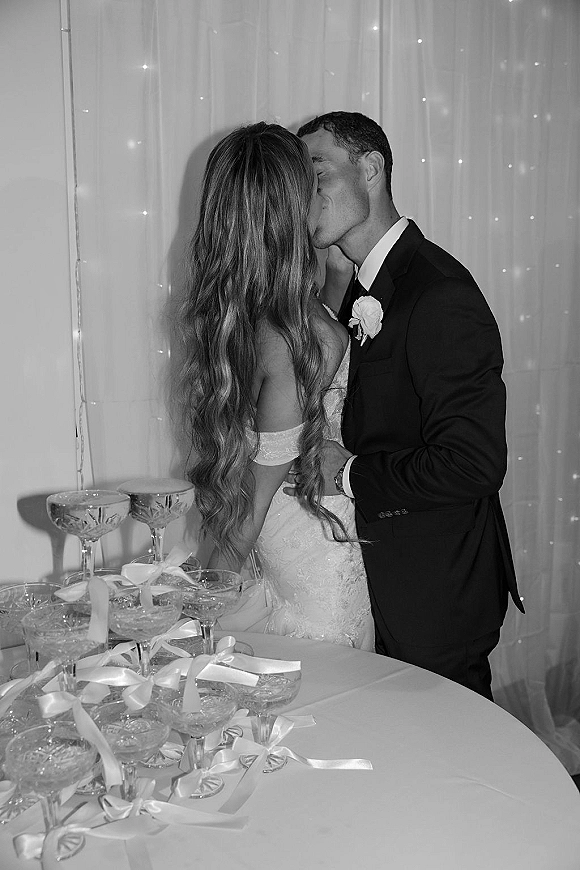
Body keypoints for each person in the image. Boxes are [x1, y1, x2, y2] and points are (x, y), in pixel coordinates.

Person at [296, 111, 524, 699]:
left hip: (437, 591)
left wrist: (348, 473)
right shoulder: (362, 287)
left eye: (317, 173)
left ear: (370, 169)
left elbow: (473, 464)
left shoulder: (439, 292)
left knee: (455, 747)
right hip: (384, 579)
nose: (304, 194)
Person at [176, 121, 374, 651]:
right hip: (315, 559)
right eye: (313, 185)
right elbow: (251, 505)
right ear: (290, 211)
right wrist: (190, 622)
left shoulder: (242, 317)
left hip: (285, 542)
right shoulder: (297, 338)